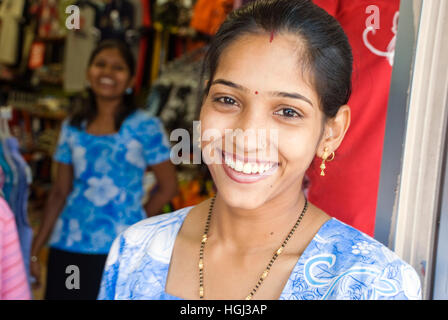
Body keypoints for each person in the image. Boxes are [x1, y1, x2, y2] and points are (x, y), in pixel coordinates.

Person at [98, 0, 421, 300]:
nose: (247, 137)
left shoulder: (372, 283)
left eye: (288, 111)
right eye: (227, 100)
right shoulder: (136, 250)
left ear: (331, 132)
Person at [30, 39, 178, 300]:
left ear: (131, 80)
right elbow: (59, 192)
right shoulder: (73, 125)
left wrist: (137, 222)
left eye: (118, 68)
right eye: (100, 65)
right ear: (88, 73)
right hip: (69, 246)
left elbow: (168, 187)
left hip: (120, 251)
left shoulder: (146, 125)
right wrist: (34, 249)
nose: (107, 73)